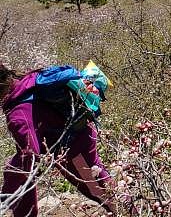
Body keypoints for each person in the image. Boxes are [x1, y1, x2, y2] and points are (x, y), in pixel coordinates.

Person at [2, 62, 116, 217]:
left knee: (101, 192)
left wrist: (10, 194)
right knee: (100, 191)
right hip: (73, 140)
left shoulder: (17, 111)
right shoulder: (27, 81)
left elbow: (30, 155)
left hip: (75, 147)